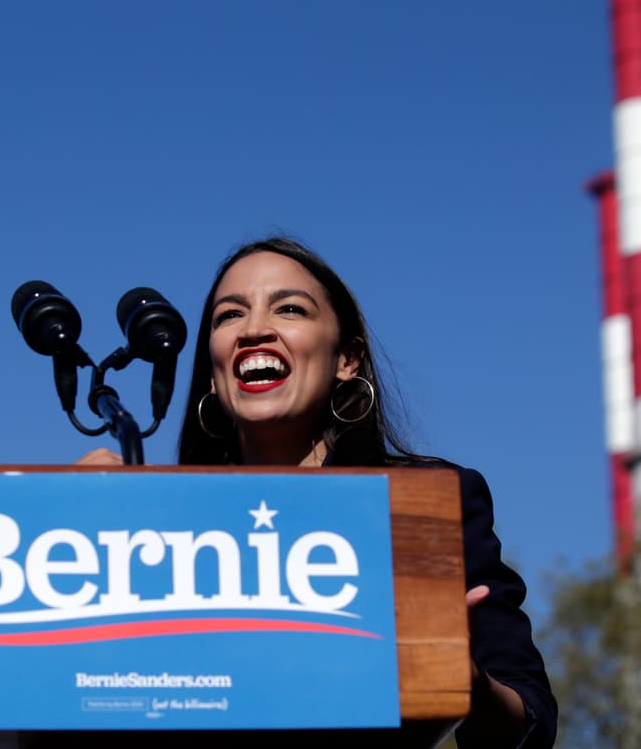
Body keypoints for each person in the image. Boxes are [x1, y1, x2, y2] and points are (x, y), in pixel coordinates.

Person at [79, 237, 557, 748]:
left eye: (289, 309)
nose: (254, 330)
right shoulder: (159, 527)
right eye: (228, 316)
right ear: (213, 372)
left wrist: (464, 683)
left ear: (346, 359)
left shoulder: (425, 507)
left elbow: (529, 725)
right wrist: (78, 538)